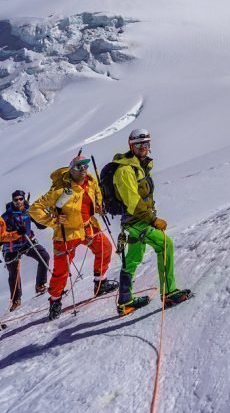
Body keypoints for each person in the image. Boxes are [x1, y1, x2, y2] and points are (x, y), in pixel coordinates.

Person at [29, 152, 117, 320]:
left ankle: (100, 283)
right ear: (71, 170)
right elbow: (34, 208)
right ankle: (55, 301)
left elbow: (96, 194)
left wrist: (98, 206)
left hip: (87, 227)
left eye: (85, 165)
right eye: (79, 166)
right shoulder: (59, 190)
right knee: (61, 270)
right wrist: (53, 220)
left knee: (105, 248)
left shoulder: (90, 182)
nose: (83, 169)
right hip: (66, 233)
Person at [113, 128, 191, 316]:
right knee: (165, 245)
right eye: (139, 145)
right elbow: (133, 202)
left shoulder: (139, 166)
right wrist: (153, 219)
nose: (143, 148)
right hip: (137, 220)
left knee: (133, 258)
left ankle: (125, 301)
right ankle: (169, 292)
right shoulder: (125, 170)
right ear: (131, 145)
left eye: (146, 144)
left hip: (133, 221)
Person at [1, 190, 50, 311]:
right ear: (12, 201)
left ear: (24, 199)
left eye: (20, 199)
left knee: (44, 256)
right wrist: (17, 233)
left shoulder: (29, 211)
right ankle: (16, 300)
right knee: (14, 273)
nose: (18, 201)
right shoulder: (5, 216)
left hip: (27, 242)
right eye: (16, 199)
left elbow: (41, 224)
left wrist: (45, 218)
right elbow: (2, 236)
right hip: (10, 247)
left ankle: (40, 284)